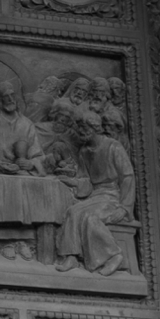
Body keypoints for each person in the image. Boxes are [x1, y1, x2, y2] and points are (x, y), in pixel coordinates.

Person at [56, 109, 135, 275]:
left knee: (88, 217)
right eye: (79, 129)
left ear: (94, 128)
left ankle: (113, 256)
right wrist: (72, 182)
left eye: (84, 129)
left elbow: (127, 177)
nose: (80, 133)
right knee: (72, 211)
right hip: (96, 195)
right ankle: (71, 256)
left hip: (112, 196)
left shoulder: (113, 146)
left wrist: (124, 207)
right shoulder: (84, 151)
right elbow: (86, 180)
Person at [0, 78, 44, 174]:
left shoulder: (26, 123)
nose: (11, 99)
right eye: (5, 96)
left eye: (12, 95)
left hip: (22, 173)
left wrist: (31, 163)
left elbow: (38, 154)